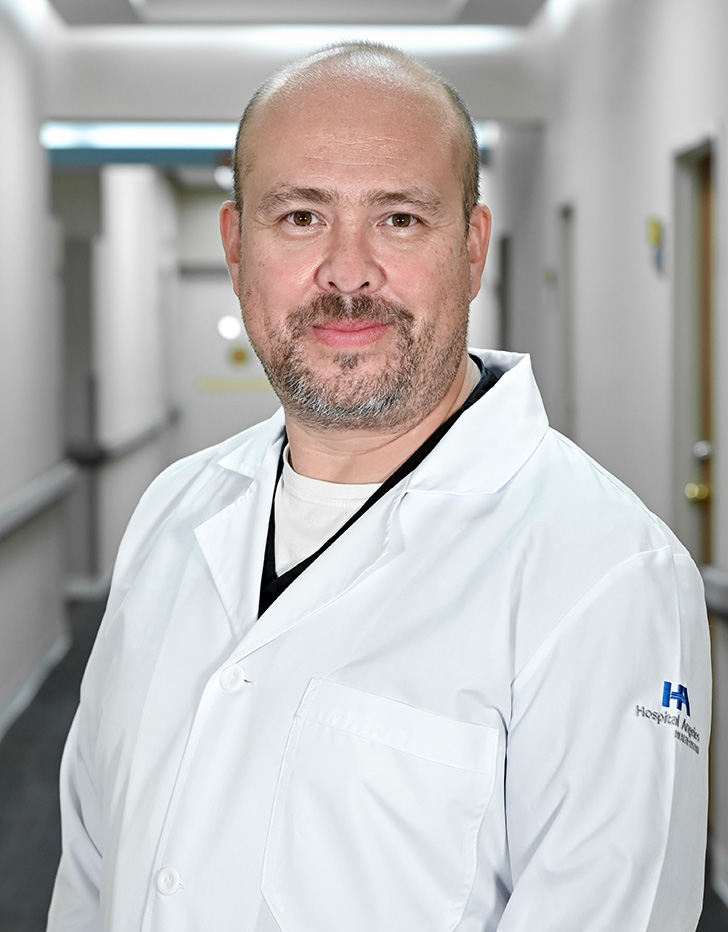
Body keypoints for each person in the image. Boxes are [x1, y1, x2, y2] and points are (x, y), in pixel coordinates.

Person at [48, 42, 710, 932]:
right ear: (237, 247)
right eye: (300, 218)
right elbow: (90, 872)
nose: (349, 272)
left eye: (399, 219)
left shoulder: (607, 575)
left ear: (471, 250)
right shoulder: (173, 510)